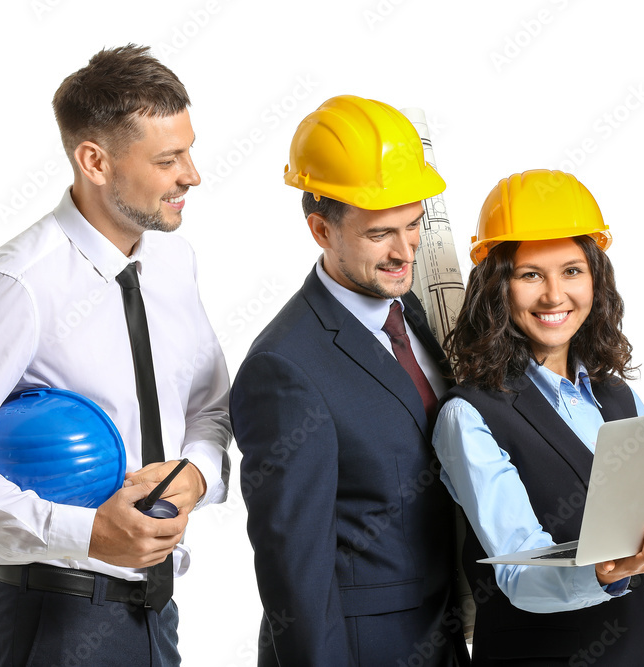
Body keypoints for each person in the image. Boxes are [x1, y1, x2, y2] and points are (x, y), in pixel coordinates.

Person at [0, 45, 231, 666]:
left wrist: (197, 476)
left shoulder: (174, 262)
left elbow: (209, 408)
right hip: (55, 619)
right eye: (168, 159)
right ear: (95, 161)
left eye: (188, 150)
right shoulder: (17, 285)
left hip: (157, 615)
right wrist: (84, 533)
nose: (193, 174)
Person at [230, 95, 470, 666]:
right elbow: (295, 571)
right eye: (380, 233)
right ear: (321, 229)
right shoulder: (284, 368)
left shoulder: (407, 309)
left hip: (444, 638)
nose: (404, 250)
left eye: (413, 226)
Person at [434, 169, 644, 666]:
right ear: (497, 288)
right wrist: (605, 571)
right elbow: (518, 574)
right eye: (531, 275)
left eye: (572, 270)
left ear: (596, 278)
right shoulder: (470, 414)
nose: (554, 295)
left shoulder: (621, 400)